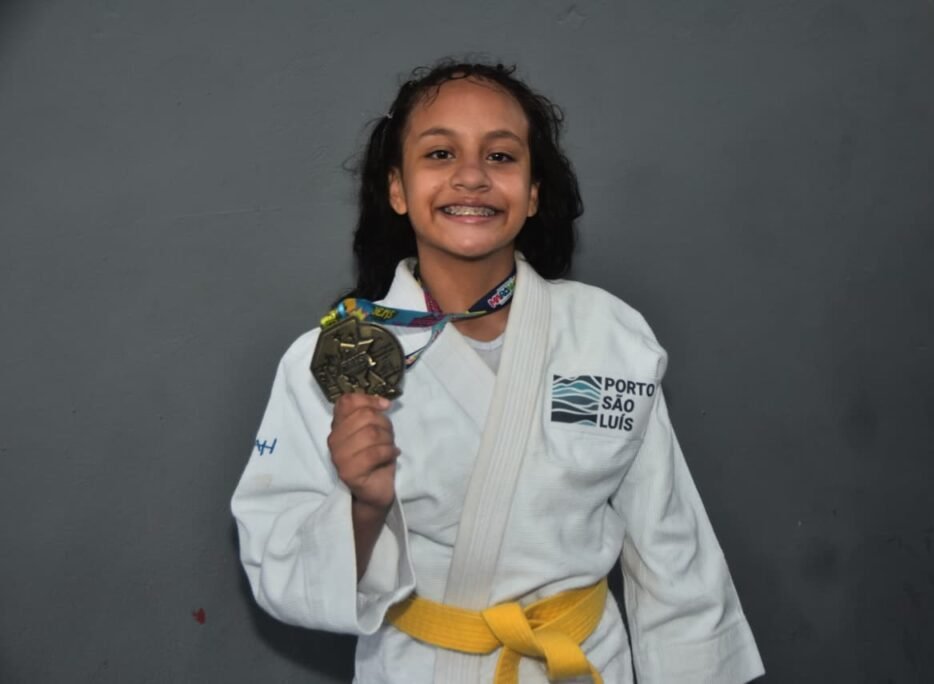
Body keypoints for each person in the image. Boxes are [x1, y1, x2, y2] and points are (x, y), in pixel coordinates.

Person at [231, 60, 765, 684]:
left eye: (501, 156)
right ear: (397, 189)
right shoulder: (333, 362)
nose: (471, 176)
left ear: (533, 192)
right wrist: (364, 507)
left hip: (580, 662)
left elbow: (669, 544)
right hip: (421, 668)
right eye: (439, 153)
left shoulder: (606, 336)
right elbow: (278, 566)